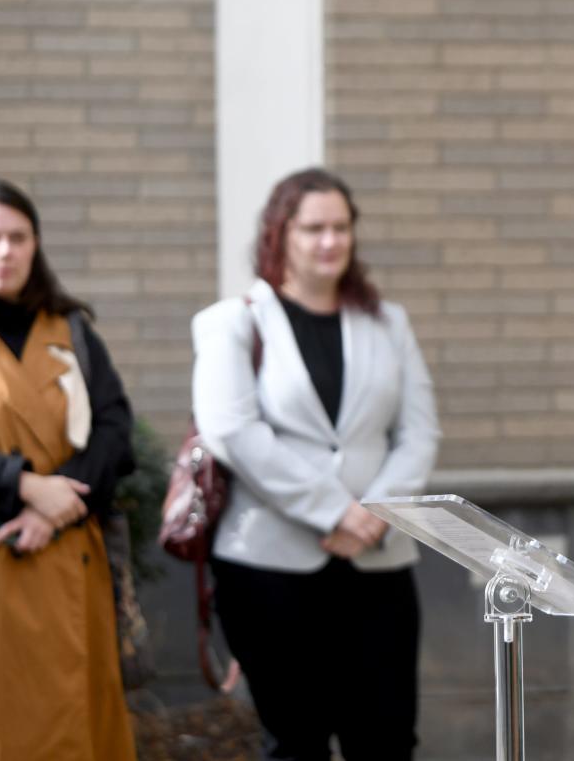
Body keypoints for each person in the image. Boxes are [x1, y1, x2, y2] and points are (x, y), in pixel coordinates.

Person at [191, 167, 439, 761]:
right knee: (296, 741)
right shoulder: (233, 321)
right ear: (280, 234)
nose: (330, 241)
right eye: (313, 229)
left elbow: (419, 430)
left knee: (386, 739)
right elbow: (232, 430)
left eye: (341, 227)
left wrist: (373, 515)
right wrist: (335, 511)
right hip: (268, 569)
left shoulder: (387, 323)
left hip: (378, 565)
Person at [0, 178, 137, 761]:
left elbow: (115, 432)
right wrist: (23, 485)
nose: (4, 251)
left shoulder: (72, 332)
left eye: (18, 237)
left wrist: (59, 505)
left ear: (36, 245)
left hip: (64, 551)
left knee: (66, 726)